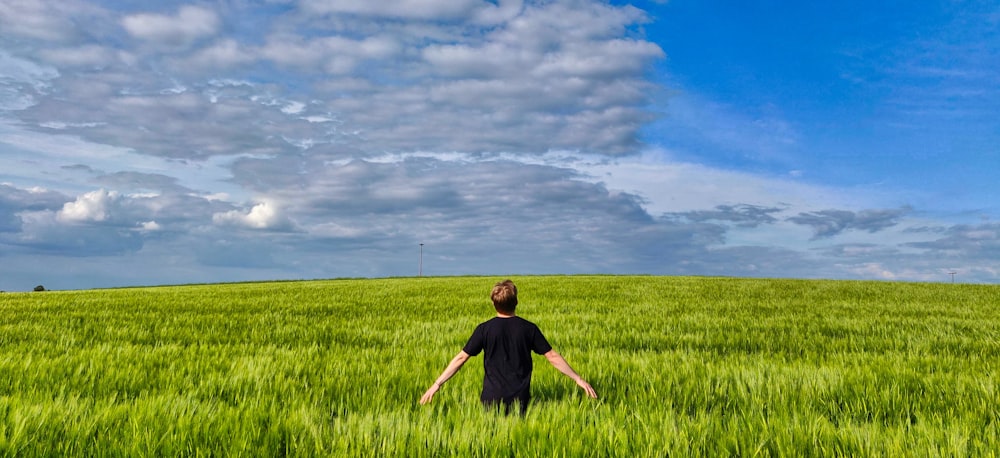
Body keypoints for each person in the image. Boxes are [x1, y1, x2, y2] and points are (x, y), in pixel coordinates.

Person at [419, 279, 598, 415]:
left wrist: (437, 384)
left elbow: (461, 358)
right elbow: (552, 356)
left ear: (493, 303)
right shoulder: (529, 329)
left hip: (490, 399)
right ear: (516, 302)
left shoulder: (484, 329)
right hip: (519, 399)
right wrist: (577, 379)